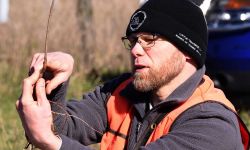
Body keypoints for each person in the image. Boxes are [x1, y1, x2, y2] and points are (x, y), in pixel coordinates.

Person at [16, 0, 250, 149]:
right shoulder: (121, 92)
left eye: (149, 41)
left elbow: (52, 137)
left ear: (187, 51)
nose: (135, 50)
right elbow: (61, 127)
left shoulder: (212, 125)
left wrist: (52, 144)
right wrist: (52, 80)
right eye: (133, 41)